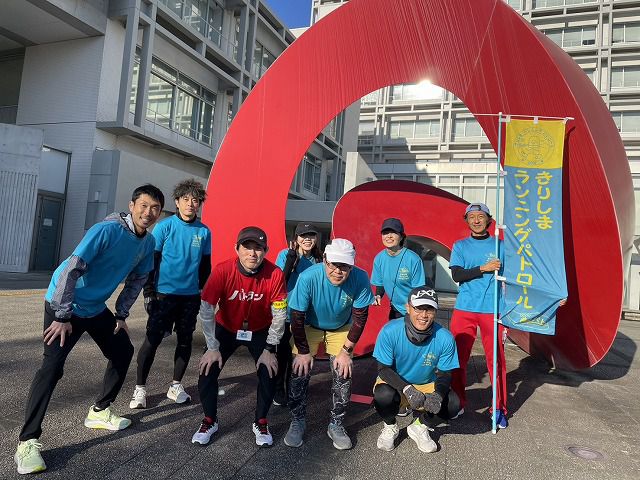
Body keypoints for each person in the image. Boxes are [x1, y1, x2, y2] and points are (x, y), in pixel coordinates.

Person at [14, 185, 164, 475]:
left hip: (94, 308)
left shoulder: (148, 242)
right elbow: (71, 269)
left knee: (122, 350)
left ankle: (99, 411)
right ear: (132, 206)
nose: (148, 212)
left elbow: (138, 279)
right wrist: (61, 315)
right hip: (64, 305)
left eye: (155, 208)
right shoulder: (106, 231)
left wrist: (121, 315)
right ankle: (27, 442)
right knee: (52, 367)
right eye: (143, 205)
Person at [191, 226, 287, 447]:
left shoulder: (275, 273)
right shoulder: (223, 270)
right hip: (226, 328)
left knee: (269, 370)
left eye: (258, 248)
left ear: (266, 251)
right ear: (237, 249)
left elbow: (280, 314)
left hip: (260, 329)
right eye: (247, 247)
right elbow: (206, 308)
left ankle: (261, 421)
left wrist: (270, 349)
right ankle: (209, 420)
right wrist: (212, 346)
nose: (252, 253)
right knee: (207, 369)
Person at [285, 238, 375, 450]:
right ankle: (297, 420)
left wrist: (346, 352)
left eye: (344, 266)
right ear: (324, 260)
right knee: (299, 371)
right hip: (308, 324)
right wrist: (303, 352)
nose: (337, 271)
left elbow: (360, 318)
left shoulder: (360, 278)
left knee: (344, 373)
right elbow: (297, 317)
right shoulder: (308, 277)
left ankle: (336, 424)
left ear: (352, 266)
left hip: (340, 326)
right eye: (333, 264)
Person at [130, 179, 211, 409]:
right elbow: (151, 262)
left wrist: (203, 292)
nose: (190, 204)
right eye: (185, 199)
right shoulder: (164, 227)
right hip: (163, 296)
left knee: (185, 341)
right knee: (152, 341)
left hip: (190, 297)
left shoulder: (204, 231)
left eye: (195, 200)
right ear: (177, 202)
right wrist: (149, 292)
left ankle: (176, 385)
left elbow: (205, 267)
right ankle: (140, 389)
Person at [372, 287, 459, 453]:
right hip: (396, 382)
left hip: (425, 383)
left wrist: (438, 395)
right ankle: (390, 426)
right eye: (418, 308)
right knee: (383, 395)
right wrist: (407, 389)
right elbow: (383, 369)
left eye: (429, 309)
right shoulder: (390, 331)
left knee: (453, 403)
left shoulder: (445, 337)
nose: (424, 315)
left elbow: (445, 374)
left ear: (435, 311)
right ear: (408, 307)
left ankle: (419, 427)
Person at [449, 203, 508, 428]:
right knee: (456, 359)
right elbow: (457, 275)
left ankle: (498, 408)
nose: (476, 220)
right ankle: (457, 402)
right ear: (466, 221)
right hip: (465, 308)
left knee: (496, 360)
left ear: (488, 220)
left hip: (493, 309)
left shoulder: (501, 246)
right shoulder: (460, 246)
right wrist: (483, 268)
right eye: (471, 217)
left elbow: (517, 276)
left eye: (480, 216)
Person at [273, 222, 322, 406]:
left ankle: (294, 389)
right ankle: (278, 390)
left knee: (299, 355)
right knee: (282, 355)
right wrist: (290, 260)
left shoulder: (318, 259)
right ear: (296, 238)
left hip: (305, 317)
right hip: (285, 313)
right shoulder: (285, 254)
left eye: (311, 235)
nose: (307, 239)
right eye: (303, 236)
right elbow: (280, 282)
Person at [372, 218, 426, 320]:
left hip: (414, 310)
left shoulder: (413, 259)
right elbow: (380, 283)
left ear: (401, 237)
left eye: (393, 232)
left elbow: (419, 289)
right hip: (395, 309)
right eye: (385, 233)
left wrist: (413, 310)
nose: (389, 236)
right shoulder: (379, 258)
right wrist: (378, 295)